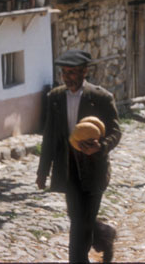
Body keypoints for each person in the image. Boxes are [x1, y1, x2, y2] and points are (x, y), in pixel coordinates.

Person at [36, 49, 121, 263]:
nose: (67, 77)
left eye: (72, 72)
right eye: (64, 73)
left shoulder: (101, 97)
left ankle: (79, 257)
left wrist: (100, 147)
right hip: (68, 168)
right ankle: (103, 234)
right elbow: (50, 136)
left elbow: (116, 131)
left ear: (84, 72)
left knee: (83, 221)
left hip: (94, 169)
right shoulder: (55, 98)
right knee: (77, 219)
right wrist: (43, 172)